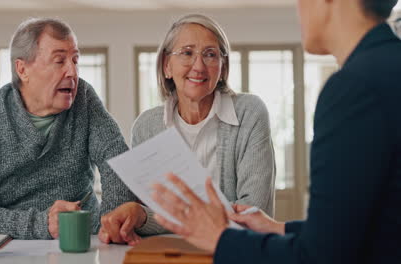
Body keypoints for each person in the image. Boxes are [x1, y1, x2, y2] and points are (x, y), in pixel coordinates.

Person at [151, 0, 401, 263]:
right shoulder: (387, 68)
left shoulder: (354, 88)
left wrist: (220, 238)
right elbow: (362, 226)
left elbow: (319, 257)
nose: (299, 8)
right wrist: (280, 228)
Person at [0, 18, 137, 239]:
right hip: (12, 248)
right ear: (22, 69)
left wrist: (111, 223)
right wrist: (41, 224)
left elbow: (119, 164)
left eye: (75, 60)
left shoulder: (83, 98)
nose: (72, 72)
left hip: (84, 239)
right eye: (59, 61)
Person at [98, 14, 276, 245]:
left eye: (210, 54)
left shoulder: (250, 112)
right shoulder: (147, 126)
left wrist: (154, 217)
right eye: (187, 52)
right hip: (171, 253)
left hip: (236, 251)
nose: (199, 66)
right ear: (166, 66)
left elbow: (254, 212)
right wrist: (139, 214)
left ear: (223, 68)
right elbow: (155, 212)